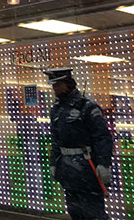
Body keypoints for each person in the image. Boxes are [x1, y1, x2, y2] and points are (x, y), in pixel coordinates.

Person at [45, 68, 113, 220]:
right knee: (75, 212)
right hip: (68, 172)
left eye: (58, 84)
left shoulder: (87, 106)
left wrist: (104, 164)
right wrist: (53, 163)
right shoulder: (56, 109)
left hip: (87, 169)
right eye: (53, 85)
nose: (54, 88)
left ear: (67, 83)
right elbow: (56, 140)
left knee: (94, 214)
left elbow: (102, 137)